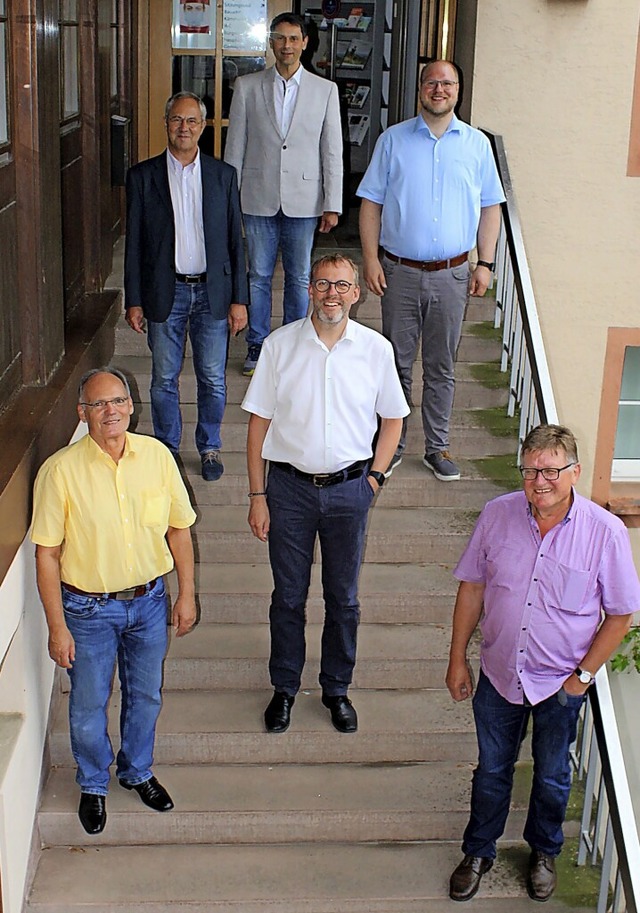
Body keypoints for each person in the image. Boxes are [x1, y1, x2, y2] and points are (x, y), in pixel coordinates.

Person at [445, 424, 639, 902]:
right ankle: (478, 851)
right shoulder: (496, 515)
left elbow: (619, 615)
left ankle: (544, 851)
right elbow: (472, 588)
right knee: (492, 770)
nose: (539, 480)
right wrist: (457, 660)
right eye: (530, 469)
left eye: (551, 470)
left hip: (560, 684)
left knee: (552, 775)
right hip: (498, 674)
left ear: (574, 472)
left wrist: (581, 680)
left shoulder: (605, 533)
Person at [242, 254, 409, 733]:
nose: (331, 293)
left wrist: (374, 480)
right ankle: (285, 689)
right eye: (322, 283)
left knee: (343, 599)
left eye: (342, 285)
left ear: (357, 293)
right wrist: (257, 494)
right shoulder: (279, 346)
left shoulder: (376, 350)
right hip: (288, 491)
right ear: (309, 289)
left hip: (349, 491)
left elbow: (393, 420)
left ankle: (337, 689)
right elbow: (258, 427)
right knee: (289, 597)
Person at [31, 368, 197, 836]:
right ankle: (93, 783)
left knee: (145, 695)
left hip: (148, 604)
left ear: (131, 406)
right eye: (98, 404)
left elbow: (178, 529)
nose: (110, 411)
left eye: (118, 401)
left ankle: (137, 771)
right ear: (82, 413)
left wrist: (186, 594)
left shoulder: (157, 458)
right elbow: (47, 555)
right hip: (87, 612)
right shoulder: (60, 472)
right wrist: (57, 626)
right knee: (87, 705)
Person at [357, 59, 505, 482]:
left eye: (447, 83)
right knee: (397, 363)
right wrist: (370, 258)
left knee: (441, 365)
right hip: (399, 272)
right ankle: (394, 444)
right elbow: (371, 203)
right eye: (431, 82)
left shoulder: (476, 145)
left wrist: (486, 262)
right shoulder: (393, 140)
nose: (438, 89)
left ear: (458, 90)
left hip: (454, 275)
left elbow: (489, 207)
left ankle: (437, 447)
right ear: (419, 88)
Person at [125, 90, 248, 481]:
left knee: (212, 377)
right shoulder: (142, 177)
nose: (184, 128)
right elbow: (134, 244)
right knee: (164, 377)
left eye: (192, 121)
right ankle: (167, 450)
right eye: (177, 120)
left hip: (212, 293)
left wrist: (239, 300)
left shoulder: (222, 175)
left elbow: (235, 241)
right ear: (166, 124)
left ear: (202, 126)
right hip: (166, 292)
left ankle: (209, 447)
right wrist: (135, 299)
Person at [224, 13, 343, 377]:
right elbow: (235, 146)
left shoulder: (325, 91)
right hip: (257, 196)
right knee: (257, 274)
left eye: (294, 39)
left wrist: (332, 202)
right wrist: (229, 199)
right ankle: (258, 344)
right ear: (271, 42)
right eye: (280, 38)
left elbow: (332, 150)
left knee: (298, 275)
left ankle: (295, 343)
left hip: (304, 198)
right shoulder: (246, 86)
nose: (287, 46)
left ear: (305, 42)